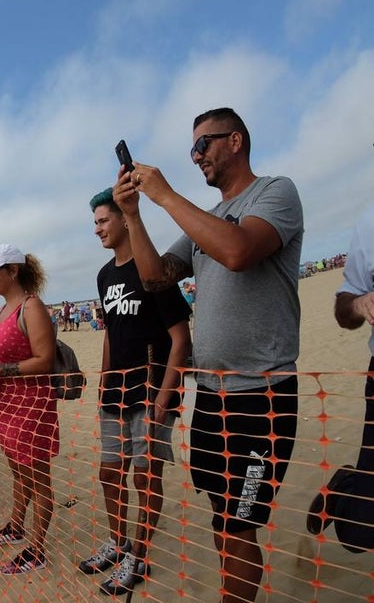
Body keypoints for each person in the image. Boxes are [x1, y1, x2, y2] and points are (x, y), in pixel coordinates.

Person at [115, 107, 302, 603]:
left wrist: (167, 196)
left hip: (261, 398)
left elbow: (238, 252)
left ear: (235, 141)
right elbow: (155, 278)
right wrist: (134, 216)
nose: (196, 156)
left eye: (204, 144)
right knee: (222, 518)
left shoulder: (276, 192)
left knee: (240, 526)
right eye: (191, 148)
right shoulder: (208, 219)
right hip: (212, 398)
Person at [81, 188, 192, 595]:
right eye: (94, 223)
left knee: (146, 475)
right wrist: (104, 381)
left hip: (152, 389)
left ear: (126, 219)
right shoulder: (104, 275)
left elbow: (180, 338)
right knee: (110, 473)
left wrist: (165, 397)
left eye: (103, 221)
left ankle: (139, 556)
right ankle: (119, 541)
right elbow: (111, 332)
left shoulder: (153, 269)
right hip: (117, 389)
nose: (97, 230)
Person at [0, 244, 58, 575]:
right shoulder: (6, 308)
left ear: (14, 271)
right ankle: (15, 526)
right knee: (18, 471)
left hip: (30, 405)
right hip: (6, 405)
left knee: (37, 478)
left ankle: (36, 548)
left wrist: (0, 370)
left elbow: (44, 360)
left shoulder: (30, 306)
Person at [310, 203, 374, 552]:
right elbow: (343, 308)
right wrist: (361, 303)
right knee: (358, 532)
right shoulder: (369, 225)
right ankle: (346, 485)